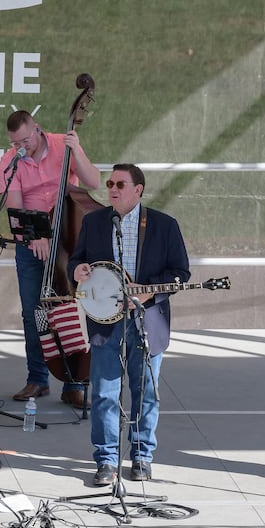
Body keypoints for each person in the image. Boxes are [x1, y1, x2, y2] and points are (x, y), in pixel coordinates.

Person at [69, 164, 190, 486]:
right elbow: (76, 259)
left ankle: (141, 456)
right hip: (105, 321)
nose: (112, 188)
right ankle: (106, 460)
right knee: (106, 393)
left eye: (120, 183)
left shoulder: (164, 225)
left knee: (145, 392)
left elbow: (181, 273)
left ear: (138, 190)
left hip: (146, 319)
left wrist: (148, 292)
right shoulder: (94, 222)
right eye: (109, 183)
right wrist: (77, 270)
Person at [0, 109, 102, 408]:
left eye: (25, 140)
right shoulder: (10, 162)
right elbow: (15, 211)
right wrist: (36, 237)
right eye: (15, 142)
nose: (21, 147)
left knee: (67, 311)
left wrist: (77, 150)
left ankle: (73, 383)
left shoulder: (63, 145)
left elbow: (93, 182)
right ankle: (38, 379)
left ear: (38, 130)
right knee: (33, 313)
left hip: (68, 240)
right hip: (32, 242)